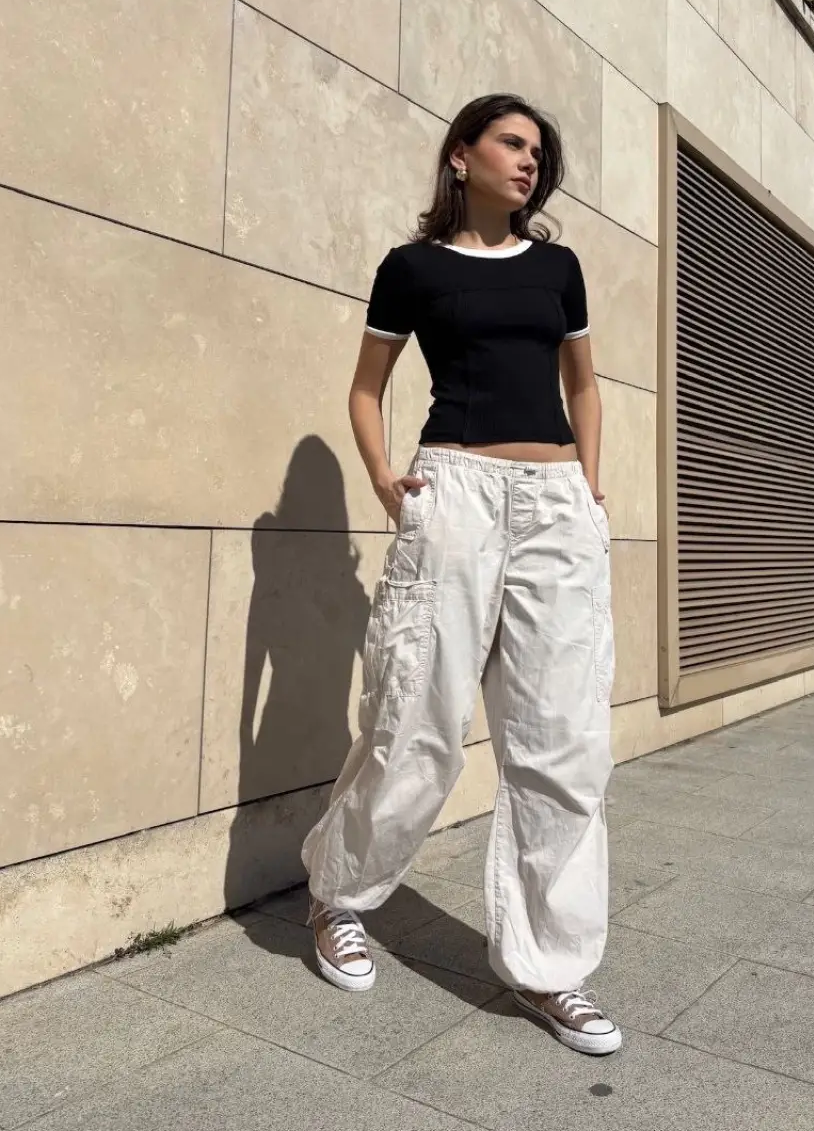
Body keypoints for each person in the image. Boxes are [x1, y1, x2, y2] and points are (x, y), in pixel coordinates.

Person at [301, 93, 619, 1056]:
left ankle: (550, 966)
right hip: (457, 492)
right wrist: (384, 479)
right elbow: (367, 388)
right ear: (461, 155)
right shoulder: (413, 269)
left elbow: (583, 384)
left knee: (564, 740)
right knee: (417, 719)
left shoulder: (559, 268)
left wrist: (589, 488)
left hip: (556, 503)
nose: (529, 162)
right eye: (512, 143)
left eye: (539, 152)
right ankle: (338, 897)